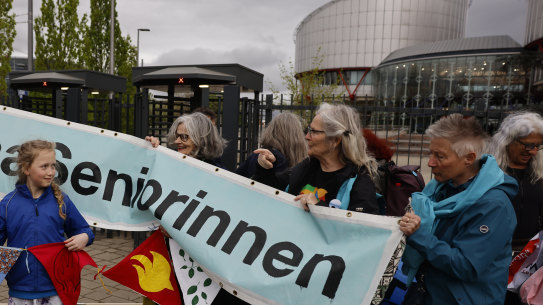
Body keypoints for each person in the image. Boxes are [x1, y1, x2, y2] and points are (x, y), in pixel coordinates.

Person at [399, 114, 517, 305]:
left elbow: (466, 266)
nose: (430, 162)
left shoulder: (493, 205)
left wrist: (419, 235)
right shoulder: (441, 188)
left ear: (469, 158)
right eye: (431, 153)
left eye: (440, 156)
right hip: (429, 293)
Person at [0, 140, 94, 305]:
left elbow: (84, 230)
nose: (51, 172)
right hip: (20, 289)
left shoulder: (62, 201)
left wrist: (84, 237)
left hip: (56, 288)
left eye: (53, 166)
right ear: (26, 168)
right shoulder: (8, 204)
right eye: (44, 166)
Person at [254, 103, 379, 213]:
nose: (307, 136)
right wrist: (264, 169)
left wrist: (319, 208)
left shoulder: (359, 181)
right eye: (308, 130)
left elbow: (363, 231)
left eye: (313, 131)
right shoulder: (306, 168)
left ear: (335, 140)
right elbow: (267, 195)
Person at [488, 112, 543, 305]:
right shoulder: (487, 174)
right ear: (508, 141)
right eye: (528, 145)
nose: (534, 151)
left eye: (538, 146)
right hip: (492, 259)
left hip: (530, 261)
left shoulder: (538, 174)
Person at [236, 112, 307, 179]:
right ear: (297, 136)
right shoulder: (280, 160)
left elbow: (236, 177)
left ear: (271, 130)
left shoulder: (256, 155)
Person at [145, 112, 227, 167]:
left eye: (184, 137)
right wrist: (149, 150)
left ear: (201, 139)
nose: (176, 141)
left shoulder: (218, 176)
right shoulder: (172, 162)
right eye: (177, 136)